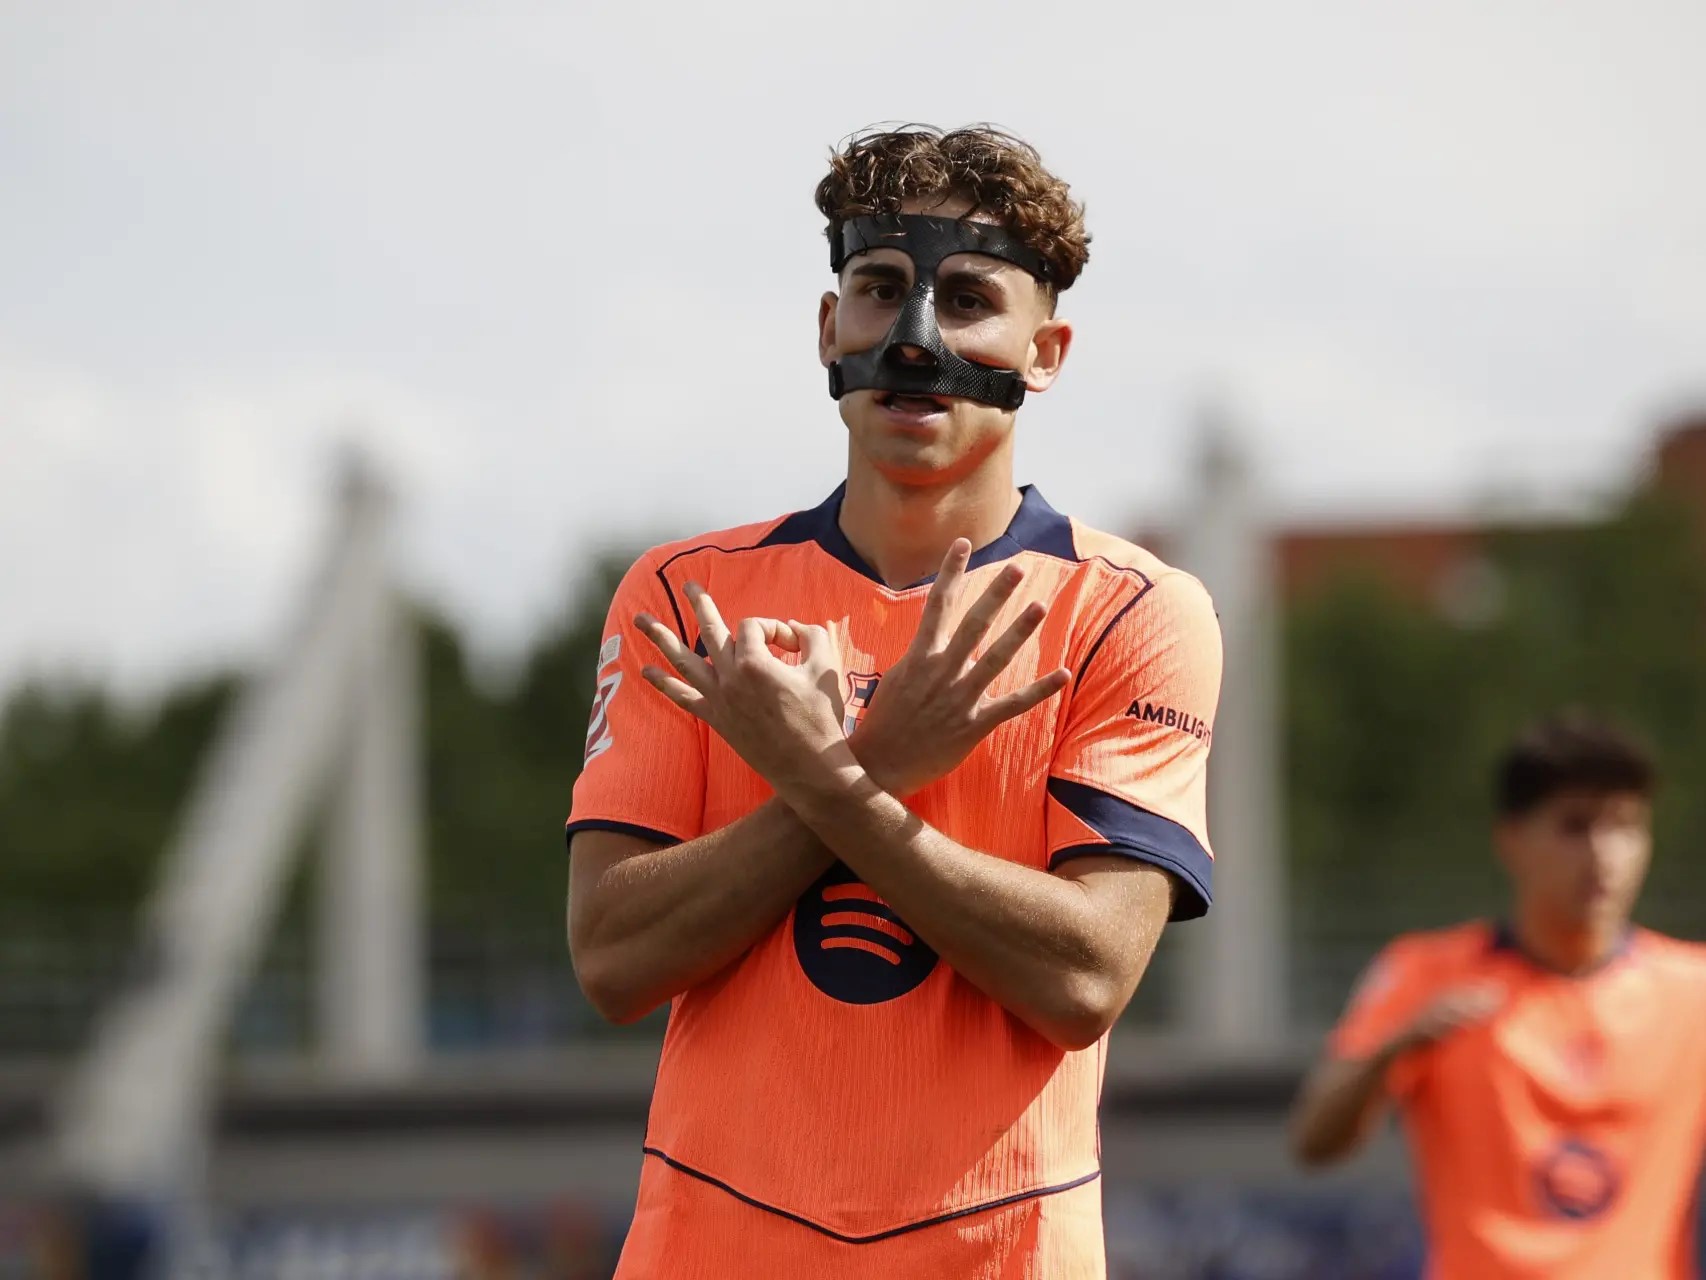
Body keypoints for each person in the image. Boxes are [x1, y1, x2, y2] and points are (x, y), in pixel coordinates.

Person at [564, 124, 1224, 1279]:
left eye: (967, 299)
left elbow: (1082, 980)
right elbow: (613, 955)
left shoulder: (1133, 611)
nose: (914, 340)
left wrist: (834, 770)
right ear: (829, 328)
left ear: (1046, 349)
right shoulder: (684, 593)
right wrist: (872, 763)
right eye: (879, 291)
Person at [1289, 711, 1706, 1279]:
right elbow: (1314, 1141)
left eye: (1625, 826)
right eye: (1575, 826)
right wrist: (1392, 1051)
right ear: (1512, 839)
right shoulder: (1428, 975)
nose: (1604, 854)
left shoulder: (1691, 990)